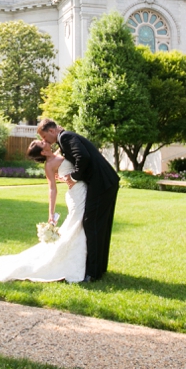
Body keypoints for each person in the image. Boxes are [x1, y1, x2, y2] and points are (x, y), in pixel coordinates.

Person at [0, 139, 87, 283]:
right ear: (42, 151)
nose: (45, 141)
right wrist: (51, 214)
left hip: (81, 191)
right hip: (75, 195)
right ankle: (69, 262)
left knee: (76, 227)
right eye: (41, 142)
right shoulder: (49, 165)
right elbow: (52, 189)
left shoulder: (59, 152)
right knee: (76, 226)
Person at [37, 118, 119, 281]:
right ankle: (98, 268)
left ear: (52, 131)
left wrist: (73, 177)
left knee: (92, 224)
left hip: (101, 183)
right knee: (98, 224)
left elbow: (83, 157)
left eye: (45, 137)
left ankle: (93, 273)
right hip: (104, 182)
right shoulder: (64, 139)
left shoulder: (65, 137)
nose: (44, 141)